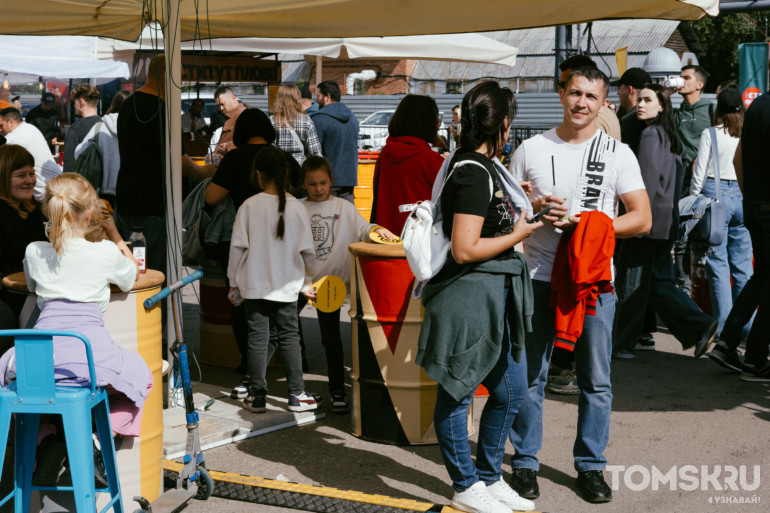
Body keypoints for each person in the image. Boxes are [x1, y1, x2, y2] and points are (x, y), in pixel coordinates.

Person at [508, 67, 651, 504]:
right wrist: (533, 208)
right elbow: (509, 214)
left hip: (593, 283)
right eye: (574, 93)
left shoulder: (617, 153)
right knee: (530, 376)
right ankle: (525, 463)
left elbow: (642, 217)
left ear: (604, 102)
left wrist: (592, 224)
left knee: (596, 380)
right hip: (537, 277)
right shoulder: (530, 148)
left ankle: (591, 466)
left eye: (591, 96)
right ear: (560, 94)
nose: (581, 103)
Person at [417, 81, 539, 513]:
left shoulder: (484, 167)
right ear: (504, 123)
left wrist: (527, 210)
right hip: (468, 295)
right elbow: (465, 248)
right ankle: (466, 484)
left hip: (493, 294)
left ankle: (488, 475)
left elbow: (487, 225)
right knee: (458, 390)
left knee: (510, 391)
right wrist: (521, 232)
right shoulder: (471, 170)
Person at [0, 173, 151, 484]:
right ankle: (100, 437)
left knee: (17, 392)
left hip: (37, 358)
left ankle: (46, 439)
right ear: (90, 212)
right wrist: (115, 235)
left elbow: (31, 284)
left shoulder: (34, 250)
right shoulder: (105, 252)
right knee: (142, 378)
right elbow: (132, 277)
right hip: (88, 355)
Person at [612, 83, 718, 359]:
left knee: (632, 283)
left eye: (648, 100)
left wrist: (634, 218)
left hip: (645, 223)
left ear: (661, 106)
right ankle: (699, 328)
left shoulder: (649, 135)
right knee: (656, 282)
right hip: (665, 222)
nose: (640, 105)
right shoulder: (671, 136)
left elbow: (644, 185)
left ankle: (622, 344)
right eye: (640, 100)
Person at [205, 108, 301, 396]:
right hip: (283, 242)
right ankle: (295, 375)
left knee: (246, 310)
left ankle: (249, 369)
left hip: (246, 242)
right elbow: (300, 193)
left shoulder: (234, 158)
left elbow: (212, 197)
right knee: (287, 315)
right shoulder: (282, 158)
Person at [299, 156, 395, 412]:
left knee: (331, 340)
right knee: (287, 332)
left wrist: (377, 230)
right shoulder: (298, 209)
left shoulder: (344, 207)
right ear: (303, 184)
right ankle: (296, 388)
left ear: (331, 180)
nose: (318, 189)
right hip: (302, 282)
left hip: (331, 286)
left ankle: (337, 391)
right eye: (312, 184)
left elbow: (363, 228)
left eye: (323, 183)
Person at [227, 146, 319, 413]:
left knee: (257, 338)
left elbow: (237, 248)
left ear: (259, 175)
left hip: (253, 285)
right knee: (290, 337)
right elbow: (308, 253)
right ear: (286, 174)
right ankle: (296, 394)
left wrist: (234, 282)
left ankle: (257, 396)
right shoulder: (297, 209)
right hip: (288, 286)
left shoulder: (248, 206)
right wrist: (306, 282)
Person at [115, 54, 214, 281]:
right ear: (168, 76)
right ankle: (156, 316)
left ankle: (138, 314)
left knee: (133, 272)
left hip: (126, 200)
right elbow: (177, 160)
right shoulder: (163, 109)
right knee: (155, 275)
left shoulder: (129, 104)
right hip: (152, 205)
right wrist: (204, 172)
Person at [709, 88, 770, 382]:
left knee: (762, 278)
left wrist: (752, 199)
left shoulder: (757, 107)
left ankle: (728, 341)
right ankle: (755, 359)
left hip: (755, 204)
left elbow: (738, 161)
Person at [689, 88, 753, 340]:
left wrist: (694, 199)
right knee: (743, 268)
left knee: (717, 265)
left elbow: (699, 173)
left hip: (715, 198)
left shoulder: (711, 134)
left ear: (718, 109)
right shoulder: (747, 133)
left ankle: (725, 330)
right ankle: (747, 328)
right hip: (743, 197)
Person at [371, 94, 445, 233]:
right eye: (434, 114)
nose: (439, 120)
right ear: (423, 121)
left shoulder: (385, 154)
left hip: (386, 241)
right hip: (420, 245)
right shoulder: (431, 160)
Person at [0, 144, 47, 355]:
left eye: (31, 173)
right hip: (8, 293)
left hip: (31, 288)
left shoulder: (34, 210)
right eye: (21, 175)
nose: (29, 180)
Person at [674, 64, 712, 293]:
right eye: (680, 78)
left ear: (700, 84)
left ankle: (702, 288)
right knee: (680, 236)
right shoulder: (676, 112)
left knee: (702, 236)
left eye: (686, 78)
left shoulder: (711, 110)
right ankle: (683, 287)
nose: (681, 82)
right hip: (680, 180)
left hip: (704, 182)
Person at [74, 90, 131, 207]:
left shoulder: (101, 126)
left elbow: (78, 153)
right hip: (129, 189)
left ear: (114, 104)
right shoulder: (136, 128)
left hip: (102, 190)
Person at [310, 81, 359, 203]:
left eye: (318, 95)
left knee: (326, 218)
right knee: (347, 218)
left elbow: (315, 152)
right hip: (349, 177)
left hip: (328, 179)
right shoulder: (352, 118)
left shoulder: (319, 119)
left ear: (327, 97)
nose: (316, 100)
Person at [0, 107, 62, 200]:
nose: (0, 130)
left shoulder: (14, 137)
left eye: (1, 126)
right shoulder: (30, 128)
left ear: (11, 122)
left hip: (46, 194)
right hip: (56, 187)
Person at [270, 84, 322, 166]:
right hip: (300, 169)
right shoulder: (306, 120)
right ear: (297, 99)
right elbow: (315, 153)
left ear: (279, 99)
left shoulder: (272, 121)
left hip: (279, 169)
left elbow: (269, 151)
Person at [63, 84, 102, 173]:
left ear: (81, 102)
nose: (74, 106)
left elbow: (69, 165)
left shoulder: (75, 129)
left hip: (82, 183)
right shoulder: (105, 124)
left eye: (74, 102)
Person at [613, 67, 653, 152]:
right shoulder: (654, 116)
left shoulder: (630, 120)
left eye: (619, 88)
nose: (618, 93)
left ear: (629, 89)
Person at [214, 86, 247, 157]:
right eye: (218, 106)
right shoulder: (230, 116)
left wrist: (228, 147)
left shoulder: (244, 115)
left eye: (222, 104)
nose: (221, 108)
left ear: (233, 98)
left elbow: (250, 140)